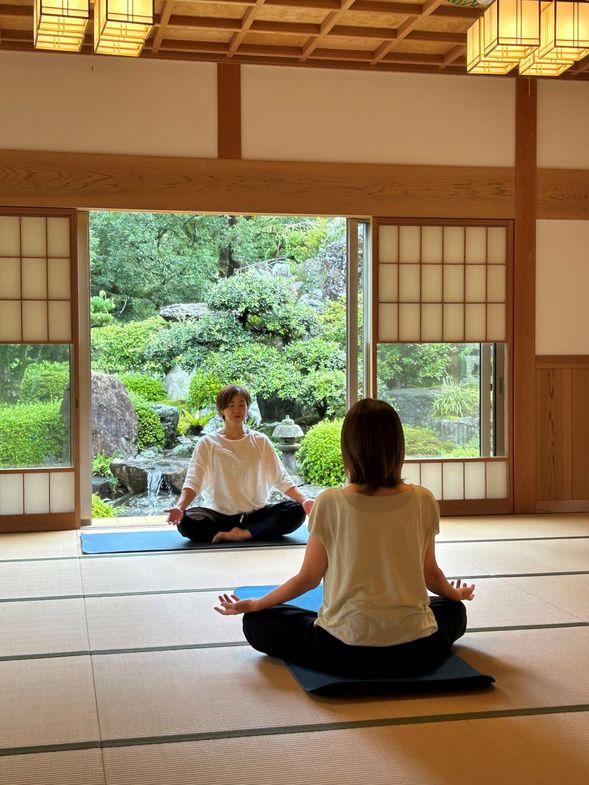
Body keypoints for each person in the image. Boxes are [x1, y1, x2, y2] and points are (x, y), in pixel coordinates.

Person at [215, 398, 475, 677]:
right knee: (453, 611)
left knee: (257, 621)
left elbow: (308, 579)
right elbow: (431, 574)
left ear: (349, 448)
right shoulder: (423, 499)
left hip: (342, 650)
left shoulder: (330, 501)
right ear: (397, 447)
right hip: (418, 651)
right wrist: (455, 594)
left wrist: (256, 603)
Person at [166, 384, 313, 544]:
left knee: (296, 510)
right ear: (221, 410)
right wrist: (180, 508)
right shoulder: (207, 443)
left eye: (241, 404)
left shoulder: (260, 441)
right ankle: (251, 533)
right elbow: (194, 481)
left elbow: (281, 478)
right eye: (231, 405)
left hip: (256, 515)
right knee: (186, 522)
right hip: (218, 516)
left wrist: (304, 500)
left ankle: (243, 534)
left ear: (247, 408)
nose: (236, 410)